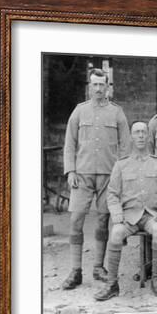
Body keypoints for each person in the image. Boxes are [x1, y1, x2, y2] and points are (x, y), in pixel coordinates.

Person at [61, 68, 130, 290]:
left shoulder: (117, 113)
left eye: (102, 85)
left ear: (108, 87)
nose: (98, 89)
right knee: (76, 220)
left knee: (102, 221)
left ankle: (99, 267)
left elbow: (126, 147)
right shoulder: (79, 112)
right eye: (95, 85)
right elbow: (69, 143)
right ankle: (75, 270)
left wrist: (119, 176)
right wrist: (70, 171)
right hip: (82, 175)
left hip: (108, 177)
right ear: (89, 86)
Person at [94, 121, 157, 301]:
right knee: (116, 232)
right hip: (129, 216)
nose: (141, 136)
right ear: (131, 137)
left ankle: (156, 279)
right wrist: (116, 214)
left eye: (144, 132)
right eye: (137, 132)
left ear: (148, 136)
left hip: (150, 215)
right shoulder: (121, 165)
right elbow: (112, 194)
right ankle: (112, 284)